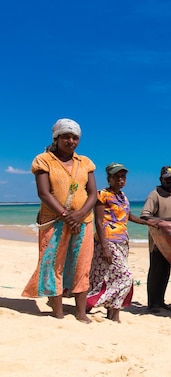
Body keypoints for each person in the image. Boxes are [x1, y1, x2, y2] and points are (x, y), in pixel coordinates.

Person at [22, 118, 98, 323]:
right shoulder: (43, 160)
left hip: (83, 221)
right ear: (56, 138)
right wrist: (66, 216)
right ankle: (57, 311)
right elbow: (44, 193)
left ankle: (81, 312)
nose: (71, 141)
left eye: (75, 137)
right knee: (52, 264)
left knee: (82, 266)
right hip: (53, 220)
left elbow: (92, 194)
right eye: (66, 137)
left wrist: (79, 214)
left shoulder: (86, 162)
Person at [87, 163, 158, 322]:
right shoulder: (102, 195)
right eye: (117, 176)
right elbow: (98, 222)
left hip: (122, 242)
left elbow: (128, 216)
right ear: (109, 178)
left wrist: (148, 223)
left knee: (108, 277)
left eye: (123, 176)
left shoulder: (123, 196)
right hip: (107, 242)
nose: (120, 179)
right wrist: (104, 246)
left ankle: (110, 312)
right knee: (125, 277)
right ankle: (107, 309)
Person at [140, 166, 171, 313]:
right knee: (156, 271)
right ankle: (152, 303)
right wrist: (167, 220)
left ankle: (161, 301)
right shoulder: (154, 195)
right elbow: (145, 216)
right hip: (157, 241)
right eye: (168, 179)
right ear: (161, 179)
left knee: (165, 271)